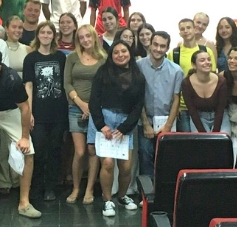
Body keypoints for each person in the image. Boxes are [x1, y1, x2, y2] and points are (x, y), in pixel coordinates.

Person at [0, 48, 42, 219]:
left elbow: (25, 108)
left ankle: (24, 203)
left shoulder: (12, 79)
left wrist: (25, 137)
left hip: (11, 112)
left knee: (28, 152)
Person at [89, 41, 145, 217]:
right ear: (111, 55)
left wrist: (125, 127)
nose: (120, 55)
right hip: (105, 120)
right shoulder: (103, 72)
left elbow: (138, 106)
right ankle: (107, 201)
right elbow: (94, 100)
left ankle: (122, 196)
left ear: (130, 53)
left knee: (126, 167)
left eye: (124, 51)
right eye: (116, 52)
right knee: (107, 163)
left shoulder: (138, 76)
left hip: (125, 123)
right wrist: (101, 125)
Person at [23, 21, 68, 201]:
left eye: (49, 33)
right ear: (38, 35)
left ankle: (51, 187)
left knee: (55, 150)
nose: (46, 35)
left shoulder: (61, 57)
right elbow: (28, 86)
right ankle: (36, 186)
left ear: (54, 36)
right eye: (43, 32)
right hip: (38, 113)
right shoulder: (30, 58)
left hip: (58, 112)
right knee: (39, 150)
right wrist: (29, 112)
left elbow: (65, 84)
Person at [63, 24, 106, 205]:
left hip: (97, 110)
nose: (85, 40)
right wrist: (81, 105)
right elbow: (67, 83)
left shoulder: (104, 58)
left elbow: (106, 85)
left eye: (88, 36)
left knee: (92, 150)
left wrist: (92, 108)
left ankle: (89, 189)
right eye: (81, 37)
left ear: (94, 37)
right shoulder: (72, 57)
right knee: (80, 152)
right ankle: (76, 188)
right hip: (75, 108)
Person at [136, 31, 183, 177]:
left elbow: (176, 99)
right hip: (145, 119)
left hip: (166, 120)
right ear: (150, 44)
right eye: (155, 44)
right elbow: (137, 97)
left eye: (162, 46)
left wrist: (168, 125)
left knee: (166, 159)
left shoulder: (176, 71)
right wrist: (146, 124)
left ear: (167, 48)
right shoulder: (138, 66)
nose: (158, 49)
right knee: (145, 156)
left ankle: (163, 189)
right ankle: (147, 190)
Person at [171, 18, 216, 130]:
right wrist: (175, 106)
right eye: (182, 29)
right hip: (182, 107)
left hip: (201, 106)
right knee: (187, 138)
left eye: (188, 28)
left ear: (194, 29)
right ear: (179, 33)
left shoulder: (206, 51)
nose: (186, 31)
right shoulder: (174, 53)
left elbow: (213, 76)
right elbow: (172, 82)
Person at [181, 49, 228, 132]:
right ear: (194, 65)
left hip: (220, 116)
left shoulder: (221, 81)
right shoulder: (186, 83)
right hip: (198, 117)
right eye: (202, 60)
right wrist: (203, 134)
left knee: (223, 139)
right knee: (201, 139)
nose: (207, 62)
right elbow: (192, 110)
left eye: (209, 59)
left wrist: (215, 132)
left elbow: (221, 109)